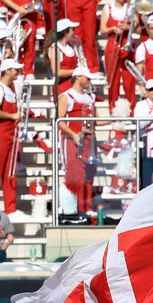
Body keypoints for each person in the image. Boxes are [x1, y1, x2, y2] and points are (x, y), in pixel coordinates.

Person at [59, 67, 99, 220]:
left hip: (89, 140)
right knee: (76, 175)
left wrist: (115, 119)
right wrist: (74, 135)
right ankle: (75, 209)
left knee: (89, 174)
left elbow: (96, 121)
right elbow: (59, 121)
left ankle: (87, 207)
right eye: (87, 78)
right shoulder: (66, 96)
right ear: (78, 77)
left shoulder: (90, 97)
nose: (89, 81)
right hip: (72, 140)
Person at [0, 60, 23, 217]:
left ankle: (11, 208)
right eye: (15, 69)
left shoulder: (10, 89)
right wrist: (12, 116)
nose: (18, 72)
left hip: (11, 133)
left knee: (10, 171)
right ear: (7, 71)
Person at [101, 0, 139, 107]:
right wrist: (113, 29)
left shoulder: (130, 7)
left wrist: (128, 27)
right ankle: (113, 109)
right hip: (113, 43)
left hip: (127, 42)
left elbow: (136, 25)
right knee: (113, 80)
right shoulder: (108, 8)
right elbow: (102, 29)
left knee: (129, 80)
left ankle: (131, 110)